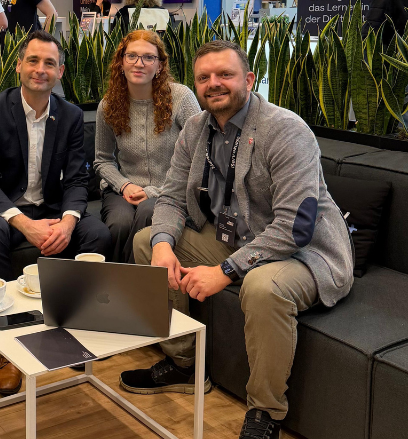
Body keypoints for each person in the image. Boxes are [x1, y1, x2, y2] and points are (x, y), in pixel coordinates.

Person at [122, 40, 354, 438]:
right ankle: (184, 365)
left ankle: (265, 413)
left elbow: (295, 226)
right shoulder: (195, 129)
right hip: (238, 238)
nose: (213, 83)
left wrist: (226, 270)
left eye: (224, 74)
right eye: (204, 77)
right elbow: (172, 197)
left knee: (262, 287)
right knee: (147, 242)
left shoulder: (286, 130)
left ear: (248, 79)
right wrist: (162, 244)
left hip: (304, 252)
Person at [0, 30, 112, 396]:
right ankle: (7, 347)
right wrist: (24, 224)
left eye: (50, 63)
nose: (40, 69)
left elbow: (77, 180)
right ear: (18, 65)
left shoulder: (70, 115)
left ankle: (74, 327)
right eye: (32, 60)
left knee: (97, 233)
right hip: (4, 210)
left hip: (50, 207)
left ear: (60, 72)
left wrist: (67, 221)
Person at [94, 29, 200, 263]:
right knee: (119, 223)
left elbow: (200, 156)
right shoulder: (108, 105)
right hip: (124, 190)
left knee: (148, 212)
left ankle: (132, 281)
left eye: (149, 57)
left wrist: (154, 191)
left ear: (160, 65)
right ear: (121, 62)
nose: (139, 63)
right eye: (131, 56)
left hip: (170, 190)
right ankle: (117, 279)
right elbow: (102, 160)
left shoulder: (181, 98)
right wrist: (124, 185)